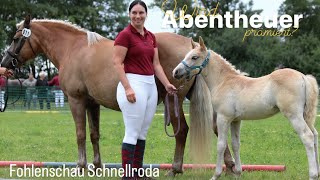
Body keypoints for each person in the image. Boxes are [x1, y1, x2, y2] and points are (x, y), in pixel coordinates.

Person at [113, 0, 177, 178]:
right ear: (129, 14)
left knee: (142, 132)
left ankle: (137, 173)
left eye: (141, 12)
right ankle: (127, 175)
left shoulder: (150, 36)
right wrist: (127, 88)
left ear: (146, 15)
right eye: (134, 12)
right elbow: (117, 63)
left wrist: (166, 84)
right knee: (132, 132)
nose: (137, 16)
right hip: (134, 84)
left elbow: (156, 64)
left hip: (150, 86)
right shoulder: (124, 35)